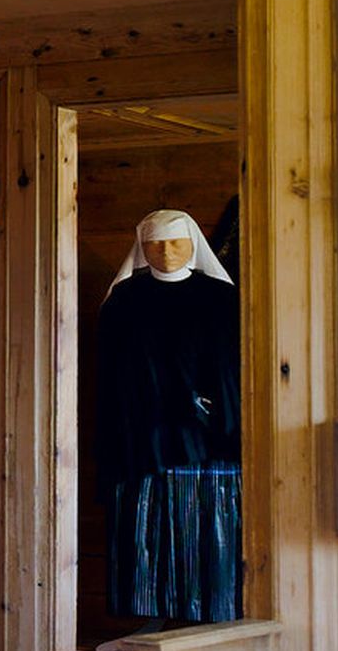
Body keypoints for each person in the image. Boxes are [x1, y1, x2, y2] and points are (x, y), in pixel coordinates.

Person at [91, 209, 240, 626]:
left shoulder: (223, 299)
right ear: (141, 248)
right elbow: (112, 373)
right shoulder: (123, 302)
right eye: (155, 244)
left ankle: (210, 611)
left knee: (205, 529)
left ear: (194, 246)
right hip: (141, 439)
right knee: (143, 529)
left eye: (176, 242)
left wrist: (212, 410)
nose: (166, 251)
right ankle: (148, 613)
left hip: (206, 439)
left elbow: (231, 368)